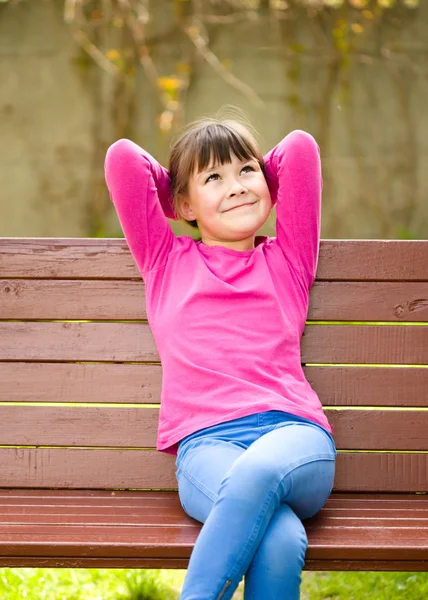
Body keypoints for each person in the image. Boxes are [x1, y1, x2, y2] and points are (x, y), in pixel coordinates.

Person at [104, 116, 336, 600]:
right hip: (206, 450)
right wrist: (187, 189)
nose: (236, 188)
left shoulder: (288, 260)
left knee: (257, 471)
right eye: (214, 178)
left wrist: (248, 183)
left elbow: (299, 148)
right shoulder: (165, 261)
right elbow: (123, 159)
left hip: (294, 437)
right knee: (279, 539)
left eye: (246, 171)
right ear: (181, 203)